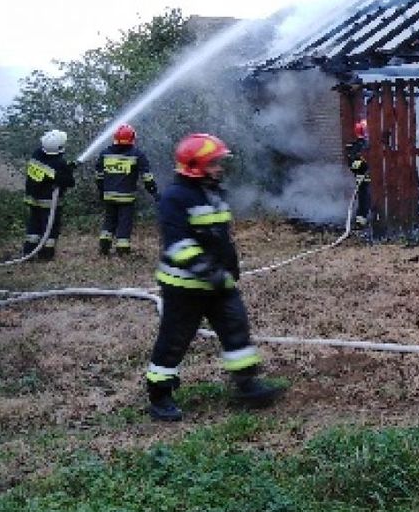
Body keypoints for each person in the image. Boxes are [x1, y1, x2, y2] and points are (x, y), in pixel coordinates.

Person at [144, 132, 282, 421]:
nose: (219, 168)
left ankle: (247, 385)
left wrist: (229, 267)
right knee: (175, 340)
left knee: (236, 329)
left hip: (219, 282)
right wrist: (208, 270)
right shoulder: (175, 198)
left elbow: (221, 237)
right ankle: (160, 395)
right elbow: (178, 244)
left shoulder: (213, 192)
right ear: (195, 166)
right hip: (184, 286)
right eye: (213, 163)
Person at [94, 123, 159, 256]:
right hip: (126, 198)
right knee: (124, 222)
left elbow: (99, 176)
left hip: (109, 196)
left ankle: (104, 246)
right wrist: (154, 192)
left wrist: (101, 191)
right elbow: (147, 177)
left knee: (109, 220)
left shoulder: (105, 154)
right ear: (132, 138)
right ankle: (122, 250)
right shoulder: (137, 154)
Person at [23, 129, 76, 260]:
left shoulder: (36, 155)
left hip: (33, 199)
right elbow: (69, 182)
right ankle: (45, 255)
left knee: (33, 227)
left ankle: (28, 252)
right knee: (50, 229)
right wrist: (67, 170)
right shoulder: (59, 163)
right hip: (49, 203)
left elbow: (51, 173)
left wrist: (67, 168)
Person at [345, 119, 372, 228]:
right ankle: (361, 221)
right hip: (364, 179)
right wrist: (363, 167)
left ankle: (364, 219)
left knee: (364, 199)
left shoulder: (361, 145)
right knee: (364, 199)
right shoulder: (359, 146)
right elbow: (353, 164)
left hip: (366, 179)